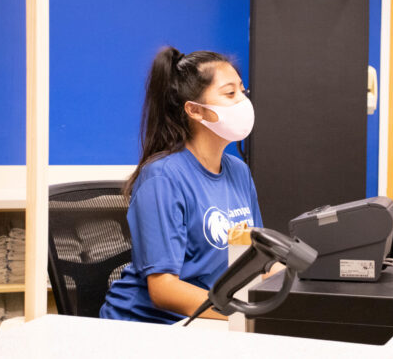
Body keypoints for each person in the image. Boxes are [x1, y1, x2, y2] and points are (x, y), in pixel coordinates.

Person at [100, 46, 268, 324]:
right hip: (147, 327)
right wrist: (241, 314)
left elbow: (256, 257)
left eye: (242, 91)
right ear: (195, 110)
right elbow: (164, 289)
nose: (243, 101)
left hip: (207, 319)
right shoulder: (163, 179)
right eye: (230, 93)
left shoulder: (239, 171)